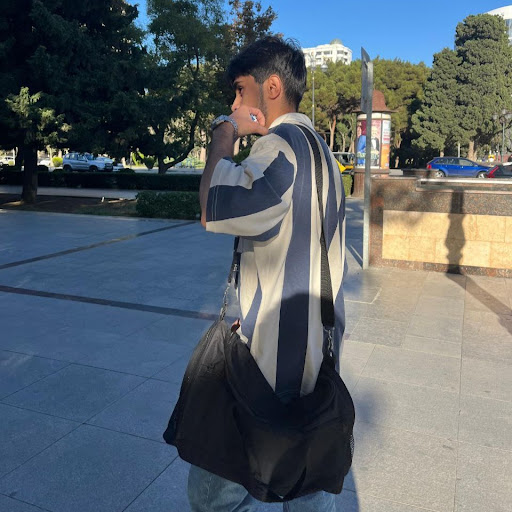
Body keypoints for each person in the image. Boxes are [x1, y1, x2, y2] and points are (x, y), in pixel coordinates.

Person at [195, 36, 347, 512]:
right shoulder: (324, 153)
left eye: (240, 90)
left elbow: (212, 206)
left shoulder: (281, 146)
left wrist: (224, 133)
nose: (234, 103)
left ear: (273, 88)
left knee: (212, 494)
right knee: (305, 486)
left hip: (266, 364)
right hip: (317, 352)